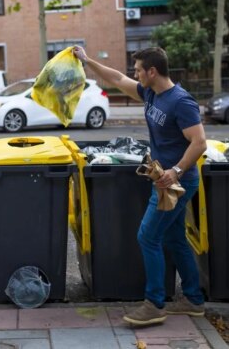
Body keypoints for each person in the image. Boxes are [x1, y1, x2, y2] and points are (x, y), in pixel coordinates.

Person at [73, 46, 207, 326]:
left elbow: (200, 142)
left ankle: (154, 304)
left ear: (152, 72)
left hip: (175, 184)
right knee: (174, 238)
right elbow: (118, 79)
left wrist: (176, 171)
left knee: (148, 236)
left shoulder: (180, 102)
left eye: (139, 70)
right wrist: (88, 61)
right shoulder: (150, 93)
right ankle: (193, 300)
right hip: (161, 179)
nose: (135, 74)